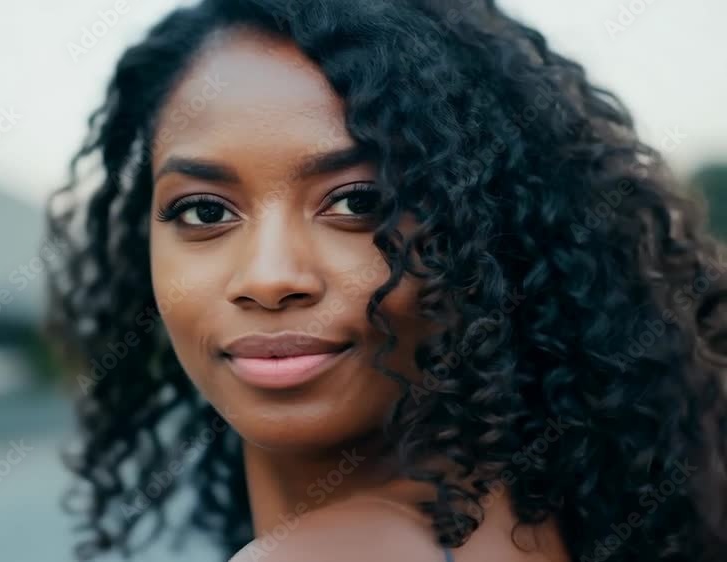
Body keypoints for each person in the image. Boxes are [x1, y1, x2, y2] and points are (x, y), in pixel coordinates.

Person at [47, 1, 727, 561]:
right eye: (204, 211)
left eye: (358, 202)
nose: (269, 278)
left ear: (484, 230)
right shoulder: (535, 521)